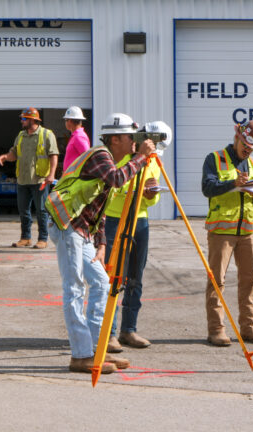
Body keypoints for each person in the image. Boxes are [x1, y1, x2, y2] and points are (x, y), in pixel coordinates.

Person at [45, 112, 155, 374]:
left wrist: (102, 244)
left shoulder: (110, 161)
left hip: (81, 229)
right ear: (115, 138)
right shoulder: (100, 155)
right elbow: (116, 180)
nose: (134, 144)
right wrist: (141, 157)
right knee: (74, 288)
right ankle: (81, 355)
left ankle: (98, 349)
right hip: (66, 224)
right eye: (131, 139)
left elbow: (101, 207)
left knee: (102, 283)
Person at [201, 120, 253, 347]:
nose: (248, 150)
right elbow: (207, 188)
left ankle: (249, 328)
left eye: (252, 148)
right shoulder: (215, 159)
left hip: (249, 231)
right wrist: (232, 183)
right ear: (238, 137)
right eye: (246, 145)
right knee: (217, 281)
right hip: (221, 231)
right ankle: (216, 330)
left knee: (249, 281)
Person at [104, 141, 162, 353]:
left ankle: (128, 329)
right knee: (113, 277)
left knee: (135, 278)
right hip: (114, 218)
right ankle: (108, 333)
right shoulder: (122, 158)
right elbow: (115, 186)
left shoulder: (154, 161)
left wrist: (150, 195)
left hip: (140, 220)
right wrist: (137, 188)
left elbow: (152, 199)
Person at [0, 107, 59, 249]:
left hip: (40, 180)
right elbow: (14, 154)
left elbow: (53, 155)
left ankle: (42, 239)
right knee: (23, 210)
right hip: (23, 180)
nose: (21, 121)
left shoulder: (46, 134)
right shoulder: (20, 136)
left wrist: (51, 174)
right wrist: (6, 157)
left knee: (41, 211)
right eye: (22, 118)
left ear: (33, 120)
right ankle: (25, 238)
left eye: (24, 119)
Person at [61, 106, 90, 171]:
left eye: (66, 120)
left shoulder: (79, 137)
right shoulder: (76, 136)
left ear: (70, 121)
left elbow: (87, 158)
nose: (65, 122)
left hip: (75, 177)